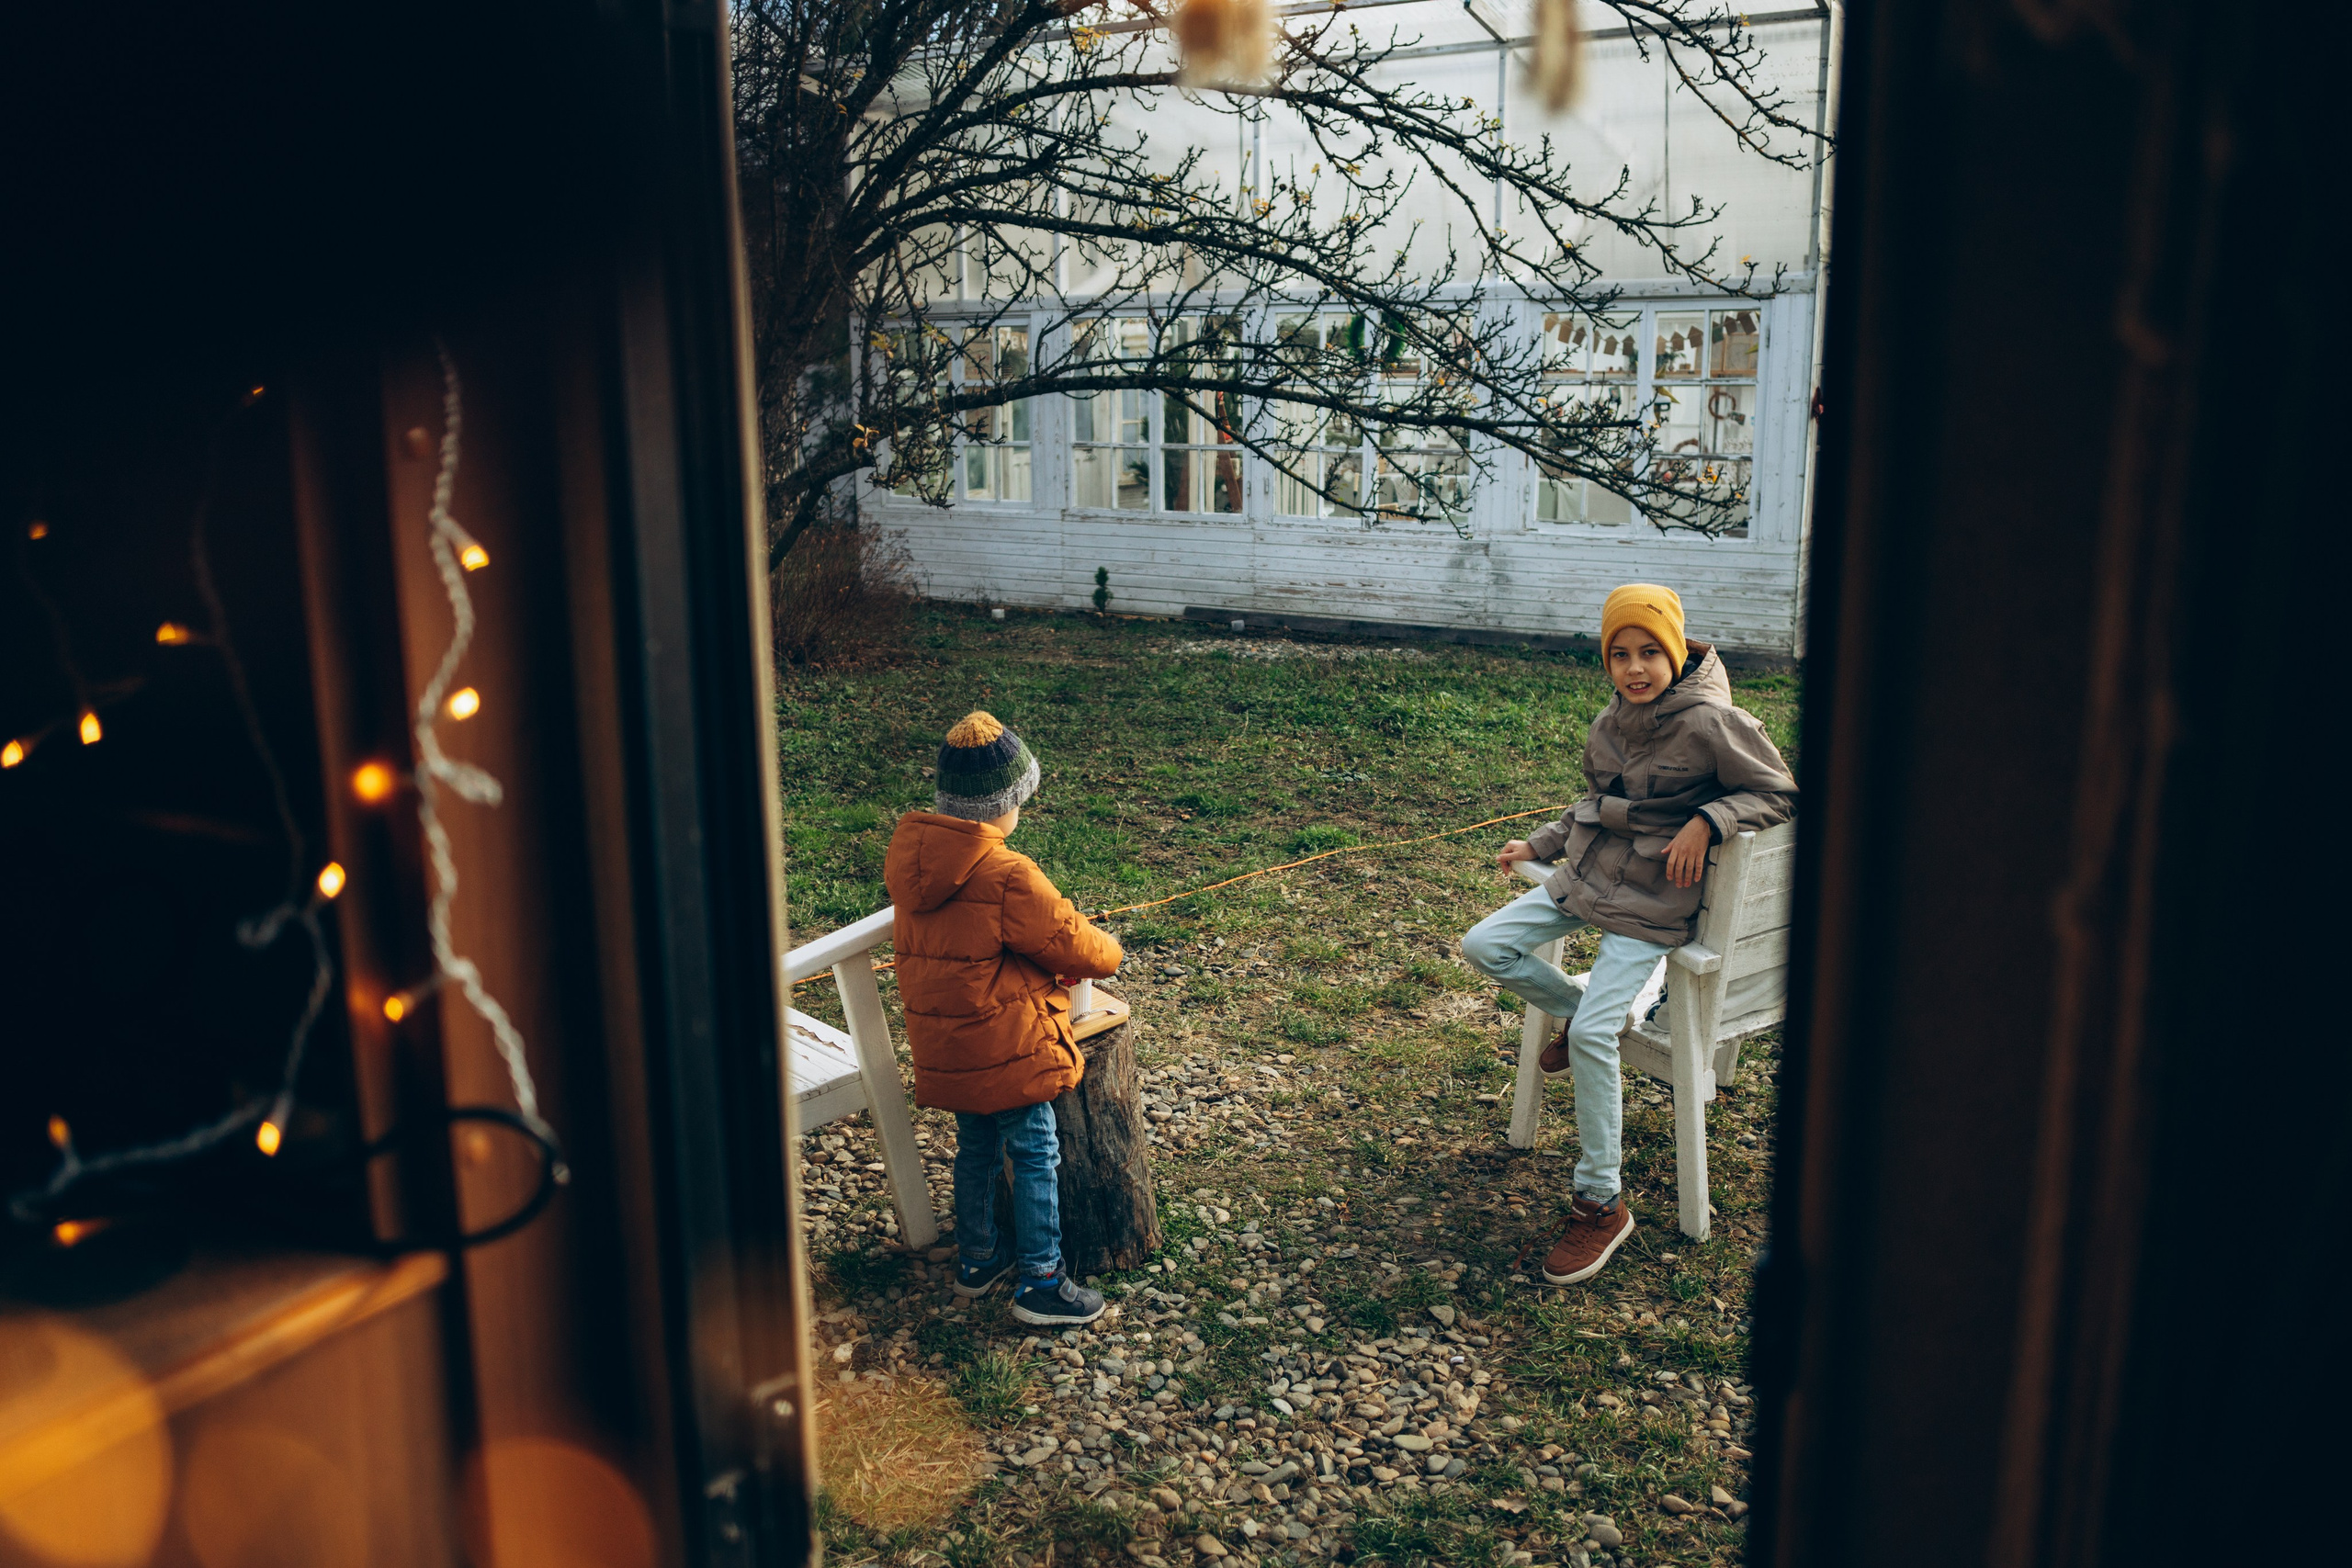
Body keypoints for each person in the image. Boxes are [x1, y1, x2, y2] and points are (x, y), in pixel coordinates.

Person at [1462, 584, 1794, 1285]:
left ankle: (1600, 1203)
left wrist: (1708, 820)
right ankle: (1582, 1008)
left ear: (1674, 652)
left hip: (1652, 902)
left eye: (1649, 652)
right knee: (1483, 945)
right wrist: (1541, 842)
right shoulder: (1609, 721)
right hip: (1589, 875)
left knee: (1589, 1037)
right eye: (1620, 654)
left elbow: (1781, 792)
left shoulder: (1714, 720)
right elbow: (1594, 803)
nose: (1635, 667)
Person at [883, 710, 1125, 1327]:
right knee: (1037, 1148)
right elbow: (1075, 943)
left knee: (976, 1146)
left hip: (949, 1044)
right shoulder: (1008, 873)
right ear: (1002, 806)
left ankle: (978, 1257)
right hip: (1007, 1046)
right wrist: (1112, 949)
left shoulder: (916, 867)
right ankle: (1041, 1280)